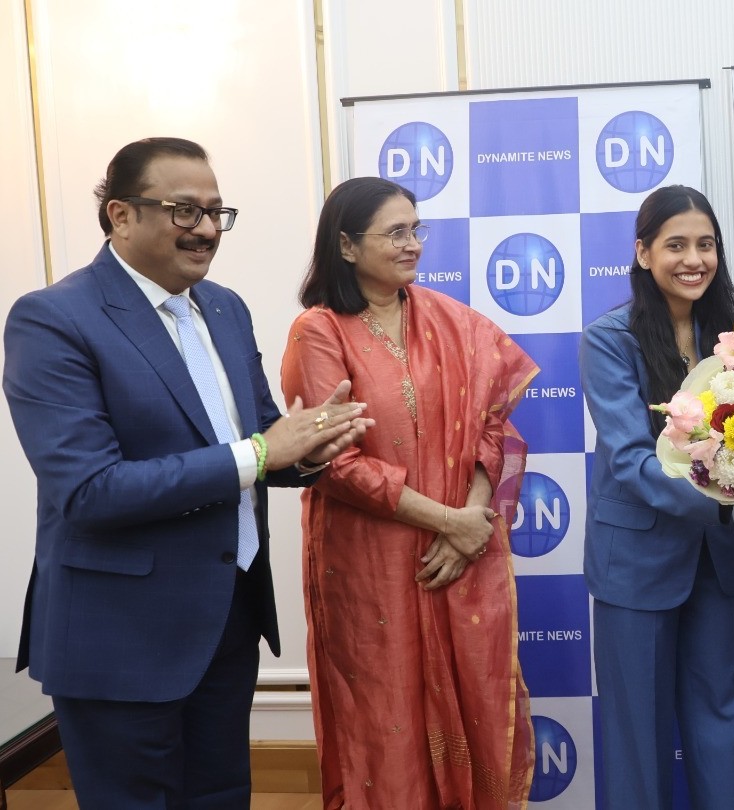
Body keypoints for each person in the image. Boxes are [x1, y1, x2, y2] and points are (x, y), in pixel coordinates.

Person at [2, 137, 370, 808]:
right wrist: (263, 453)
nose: (205, 229)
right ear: (120, 215)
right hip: (121, 636)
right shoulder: (53, 318)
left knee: (221, 797)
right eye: (183, 210)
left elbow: (263, 436)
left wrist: (311, 448)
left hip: (226, 616)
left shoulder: (224, 308)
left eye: (216, 212)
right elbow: (90, 491)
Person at [280, 177, 538, 808]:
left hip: (458, 557)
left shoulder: (452, 321)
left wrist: (471, 520)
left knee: (470, 707)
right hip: (371, 566)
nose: (412, 244)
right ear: (346, 245)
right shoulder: (320, 331)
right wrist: (450, 521)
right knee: (385, 722)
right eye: (395, 232)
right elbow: (335, 462)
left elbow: (493, 426)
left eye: (416, 229)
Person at [579, 185, 734, 810]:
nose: (694, 260)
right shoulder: (609, 338)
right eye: (676, 245)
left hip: (711, 559)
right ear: (643, 253)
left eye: (705, 245)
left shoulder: (730, 332)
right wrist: (732, 498)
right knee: (638, 734)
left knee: (722, 719)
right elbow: (630, 460)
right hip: (635, 562)